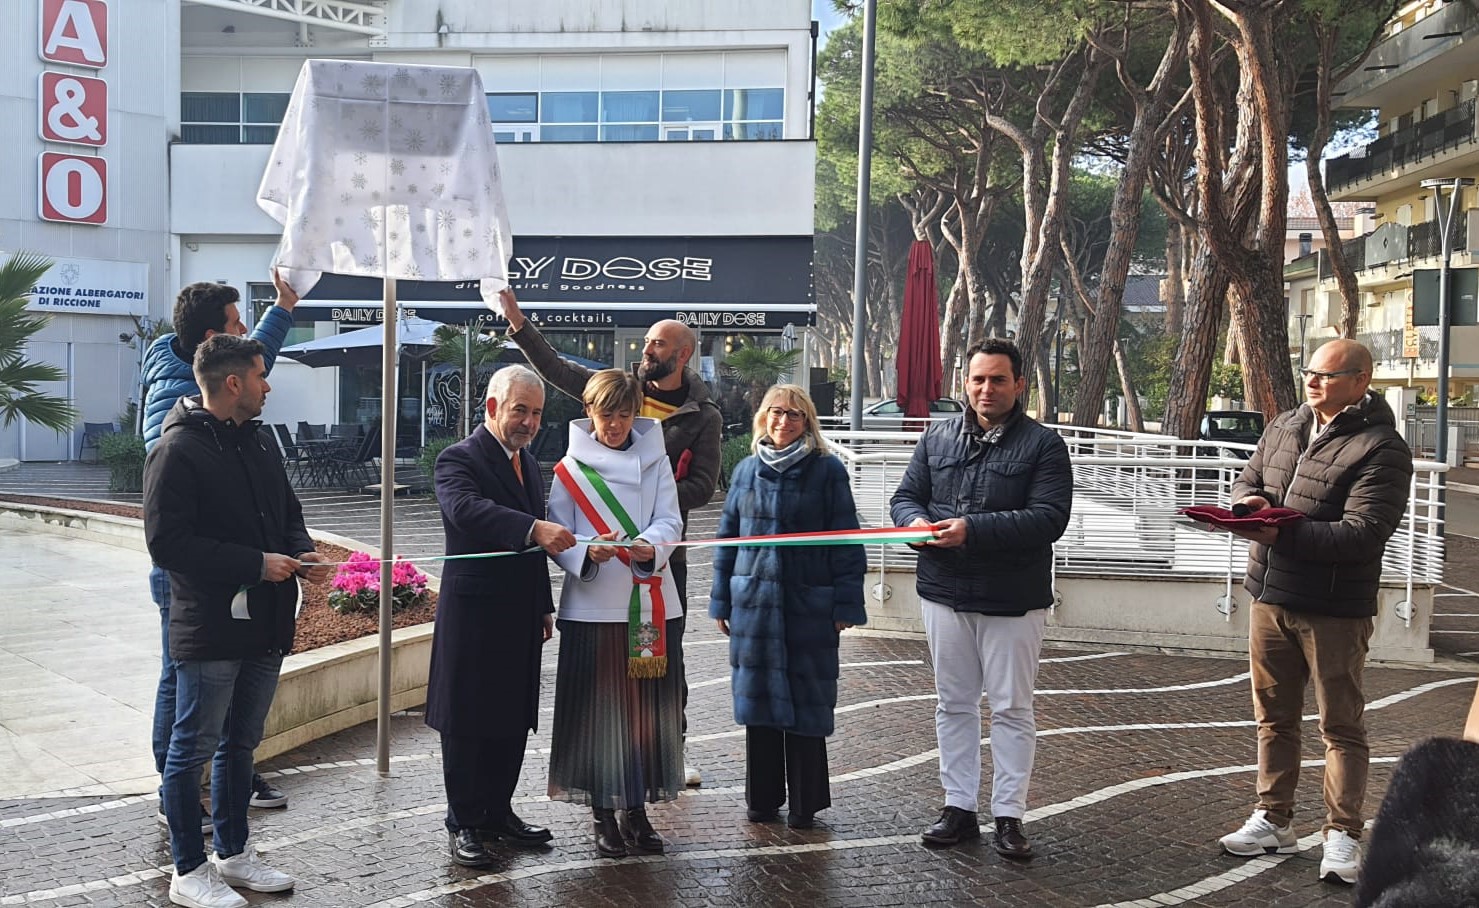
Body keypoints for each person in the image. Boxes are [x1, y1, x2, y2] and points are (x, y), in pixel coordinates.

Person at [498, 289, 720, 785]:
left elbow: (703, 486)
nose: (646, 351)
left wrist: (646, 499)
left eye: (658, 344)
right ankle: (603, 791)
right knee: (599, 687)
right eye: (645, 342)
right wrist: (517, 322)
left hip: (657, 565)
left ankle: (668, 753)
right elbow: (555, 369)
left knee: (663, 662)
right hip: (597, 582)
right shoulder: (616, 391)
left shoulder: (703, 416)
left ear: (682, 354)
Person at [143, 334, 331, 908]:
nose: (267, 385)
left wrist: (302, 552)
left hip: (266, 621)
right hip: (210, 626)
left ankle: (233, 853)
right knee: (191, 748)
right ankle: (188, 868)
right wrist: (254, 563)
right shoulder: (176, 450)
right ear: (233, 384)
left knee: (242, 745)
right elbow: (166, 543)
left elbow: (286, 510)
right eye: (260, 375)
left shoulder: (258, 439)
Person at [1216, 338, 1413, 886]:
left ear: (1360, 381)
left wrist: (1281, 532)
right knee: (1272, 719)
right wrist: (1246, 505)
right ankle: (1273, 819)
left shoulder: (1383, 448)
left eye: (1327, 375)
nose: (1313, 381)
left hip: (1334, 608)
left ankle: (1342, 834)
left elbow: (1364, 534)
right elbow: (1249, 479)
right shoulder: (1285, 425)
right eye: (1310, 371)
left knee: (1341, 726)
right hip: (1270, 595)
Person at [889, 338, 1073, 859]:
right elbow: (905, 496)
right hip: (943, 593)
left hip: (1012, 599)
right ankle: (958, 806)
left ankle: (1009, 815)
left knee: (1013, 707)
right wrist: (914, 524)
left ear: (1019, 385)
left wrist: (972, 528)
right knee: (954, 703)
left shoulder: (1044, 445)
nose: (986, 389)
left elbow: (1048, 519)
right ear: (963, 383)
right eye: (977, 379)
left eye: (997, 380)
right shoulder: (937, 437)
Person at [144, 272, 302, 827]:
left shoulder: (247, 427)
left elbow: (255, 359)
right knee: (186, 703)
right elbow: (173, 526)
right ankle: (178, 802)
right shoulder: (178, 414)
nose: (267, 381)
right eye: (239, 322)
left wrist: (283, 307)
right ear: (217, 346)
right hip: (199, 590)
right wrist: (253, 558)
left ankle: (230, 832)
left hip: (251, 590)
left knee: (234, 733)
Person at [426, 365, 576, 869]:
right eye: (520, 411)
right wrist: (534, 528)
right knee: (467, 720)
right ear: (492, 407)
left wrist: (543, 605)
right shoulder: (457, 459)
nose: (529, 422)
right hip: (472, 615)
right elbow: (466, 510)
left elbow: (535, 549)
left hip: (519, 615)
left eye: (536, 413)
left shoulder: (529, 464)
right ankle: (464, 821)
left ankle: (498, 813)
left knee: (512, 718)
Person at [709, 384, 867, 829]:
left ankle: (805, 803)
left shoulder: (827, 471)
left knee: (807, 706)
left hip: (808, 607)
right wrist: (722, 597)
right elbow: (726, 541)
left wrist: (845, 602)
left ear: (807, 422)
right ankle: (761, 800)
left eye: (795, 415)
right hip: (754, 608)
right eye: (777, 413)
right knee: (759, 709)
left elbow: (846, 541)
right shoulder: (744, 471)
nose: (784, 422)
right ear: (764, 416)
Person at [545, 369, 687, 858]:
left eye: (625, 415)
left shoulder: (656, 458)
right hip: (593, 606)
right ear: (589, 412)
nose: (616, 425)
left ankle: (639, 810)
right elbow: (559, 533)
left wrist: (652, 544)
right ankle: (603, 813)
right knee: (599, 712)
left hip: (648, 599)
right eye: (607, 415)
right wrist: (588, 551)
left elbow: (671, 517)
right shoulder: (569, 469)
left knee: (646, 712)